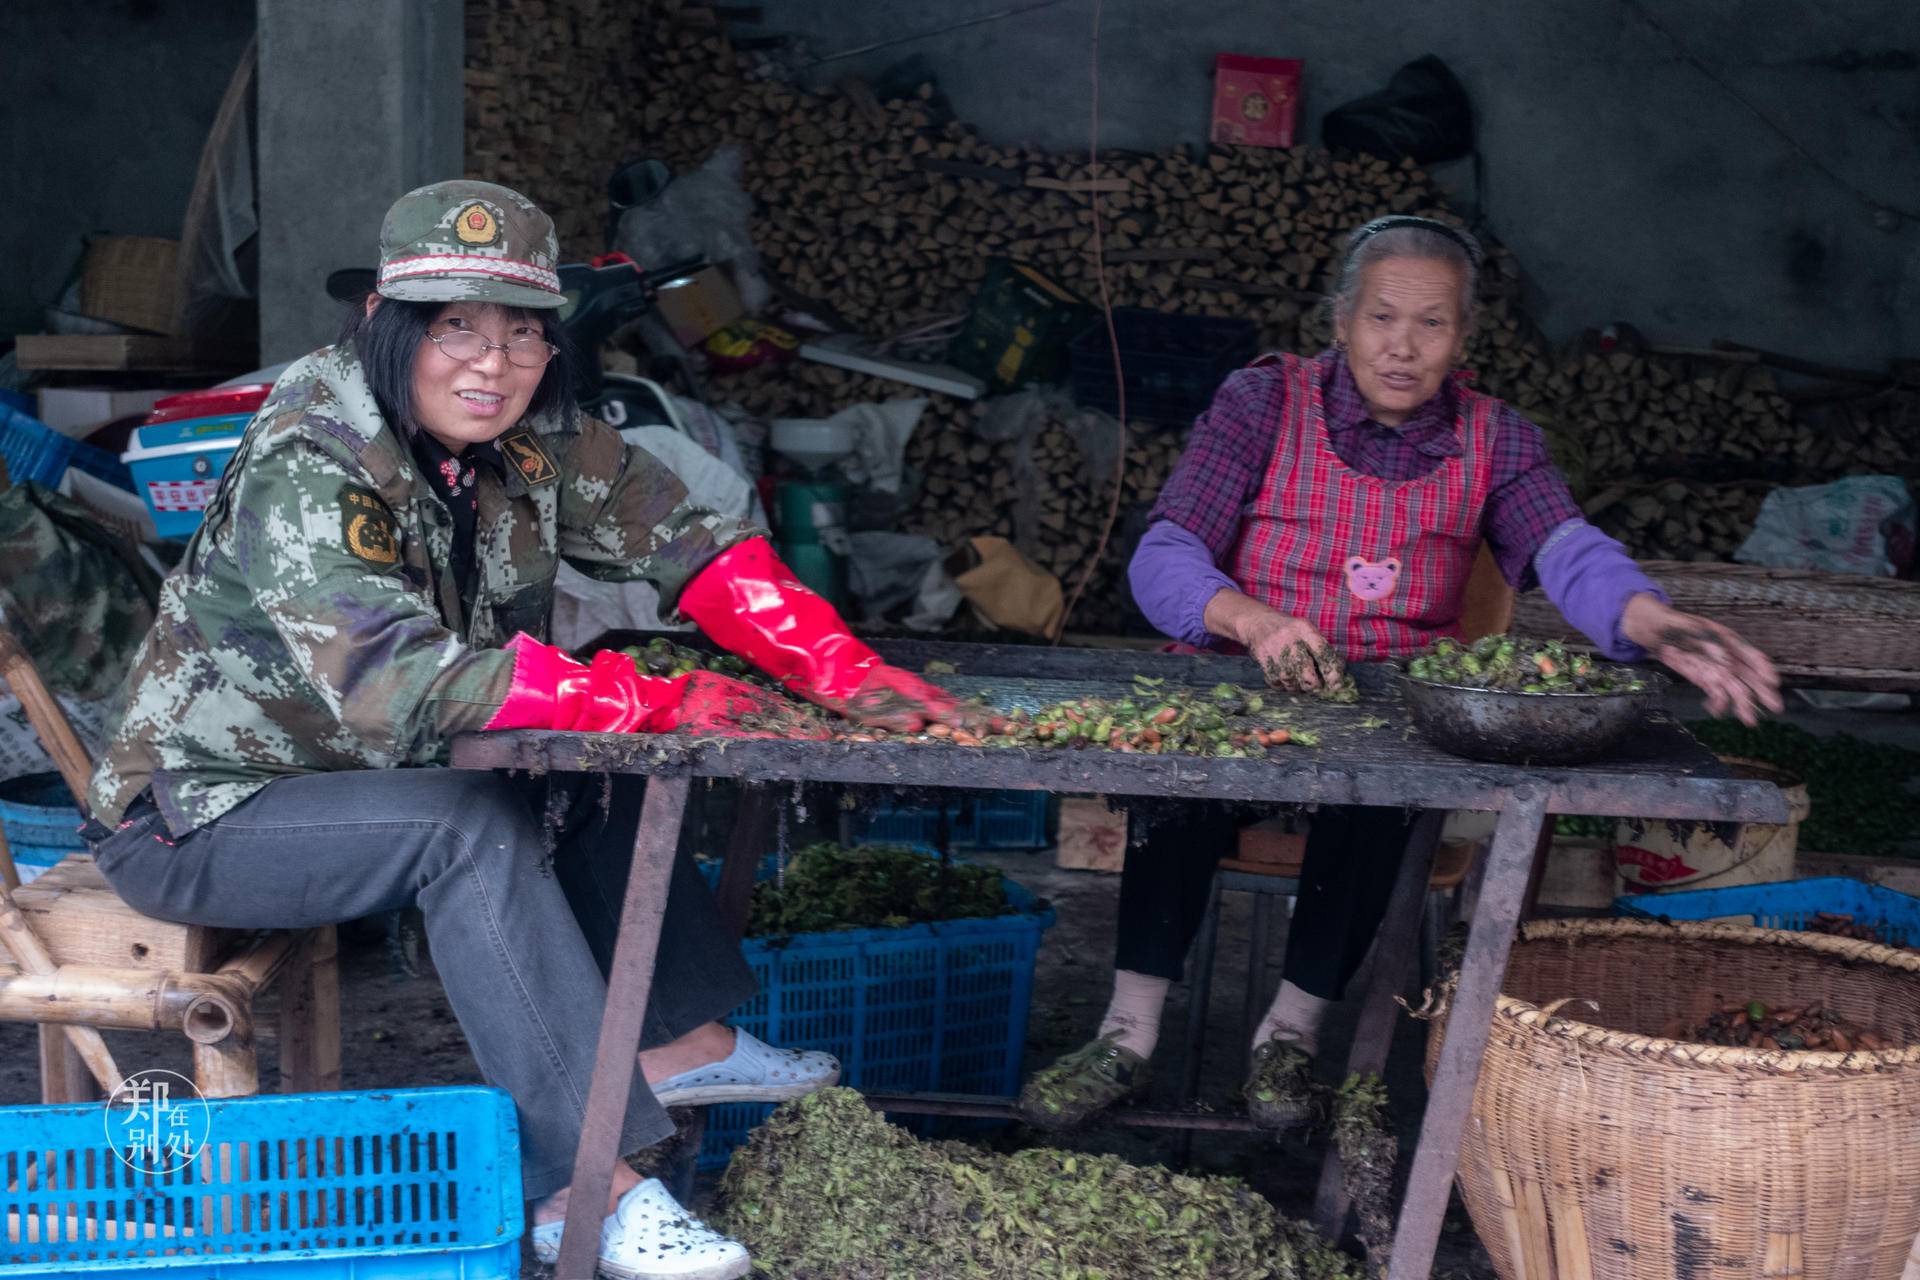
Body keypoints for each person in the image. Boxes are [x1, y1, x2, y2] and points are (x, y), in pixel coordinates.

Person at [82, 181, 967, 1280]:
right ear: (384, 323)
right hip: (207, 812)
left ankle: (675, 1040)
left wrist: (840, 666)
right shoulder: (313, 453)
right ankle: (579, 1187)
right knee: (476, 822)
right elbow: (391, 679)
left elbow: (688, 539)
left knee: (600, 744)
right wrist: (635, 699)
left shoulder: (536, 430)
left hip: (374, 777)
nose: (491, 365)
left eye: (522, 335)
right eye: (454, 327)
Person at [1017, 215, 1782, 1132]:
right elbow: (1167, 551)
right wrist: (1251, 621)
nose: (1402, 346)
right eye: (1382, 317)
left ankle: (1289, 1040)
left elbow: (1566, 548)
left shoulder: (1498, 440)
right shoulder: (1263, 402)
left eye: (1432, 323)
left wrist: (1647, 618)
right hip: (1239, 683)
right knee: (1177, 786)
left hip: (1390, 705)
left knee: (1381, 802)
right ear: (1341, 320)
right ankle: (1127, 1035)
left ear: (1464, 338)